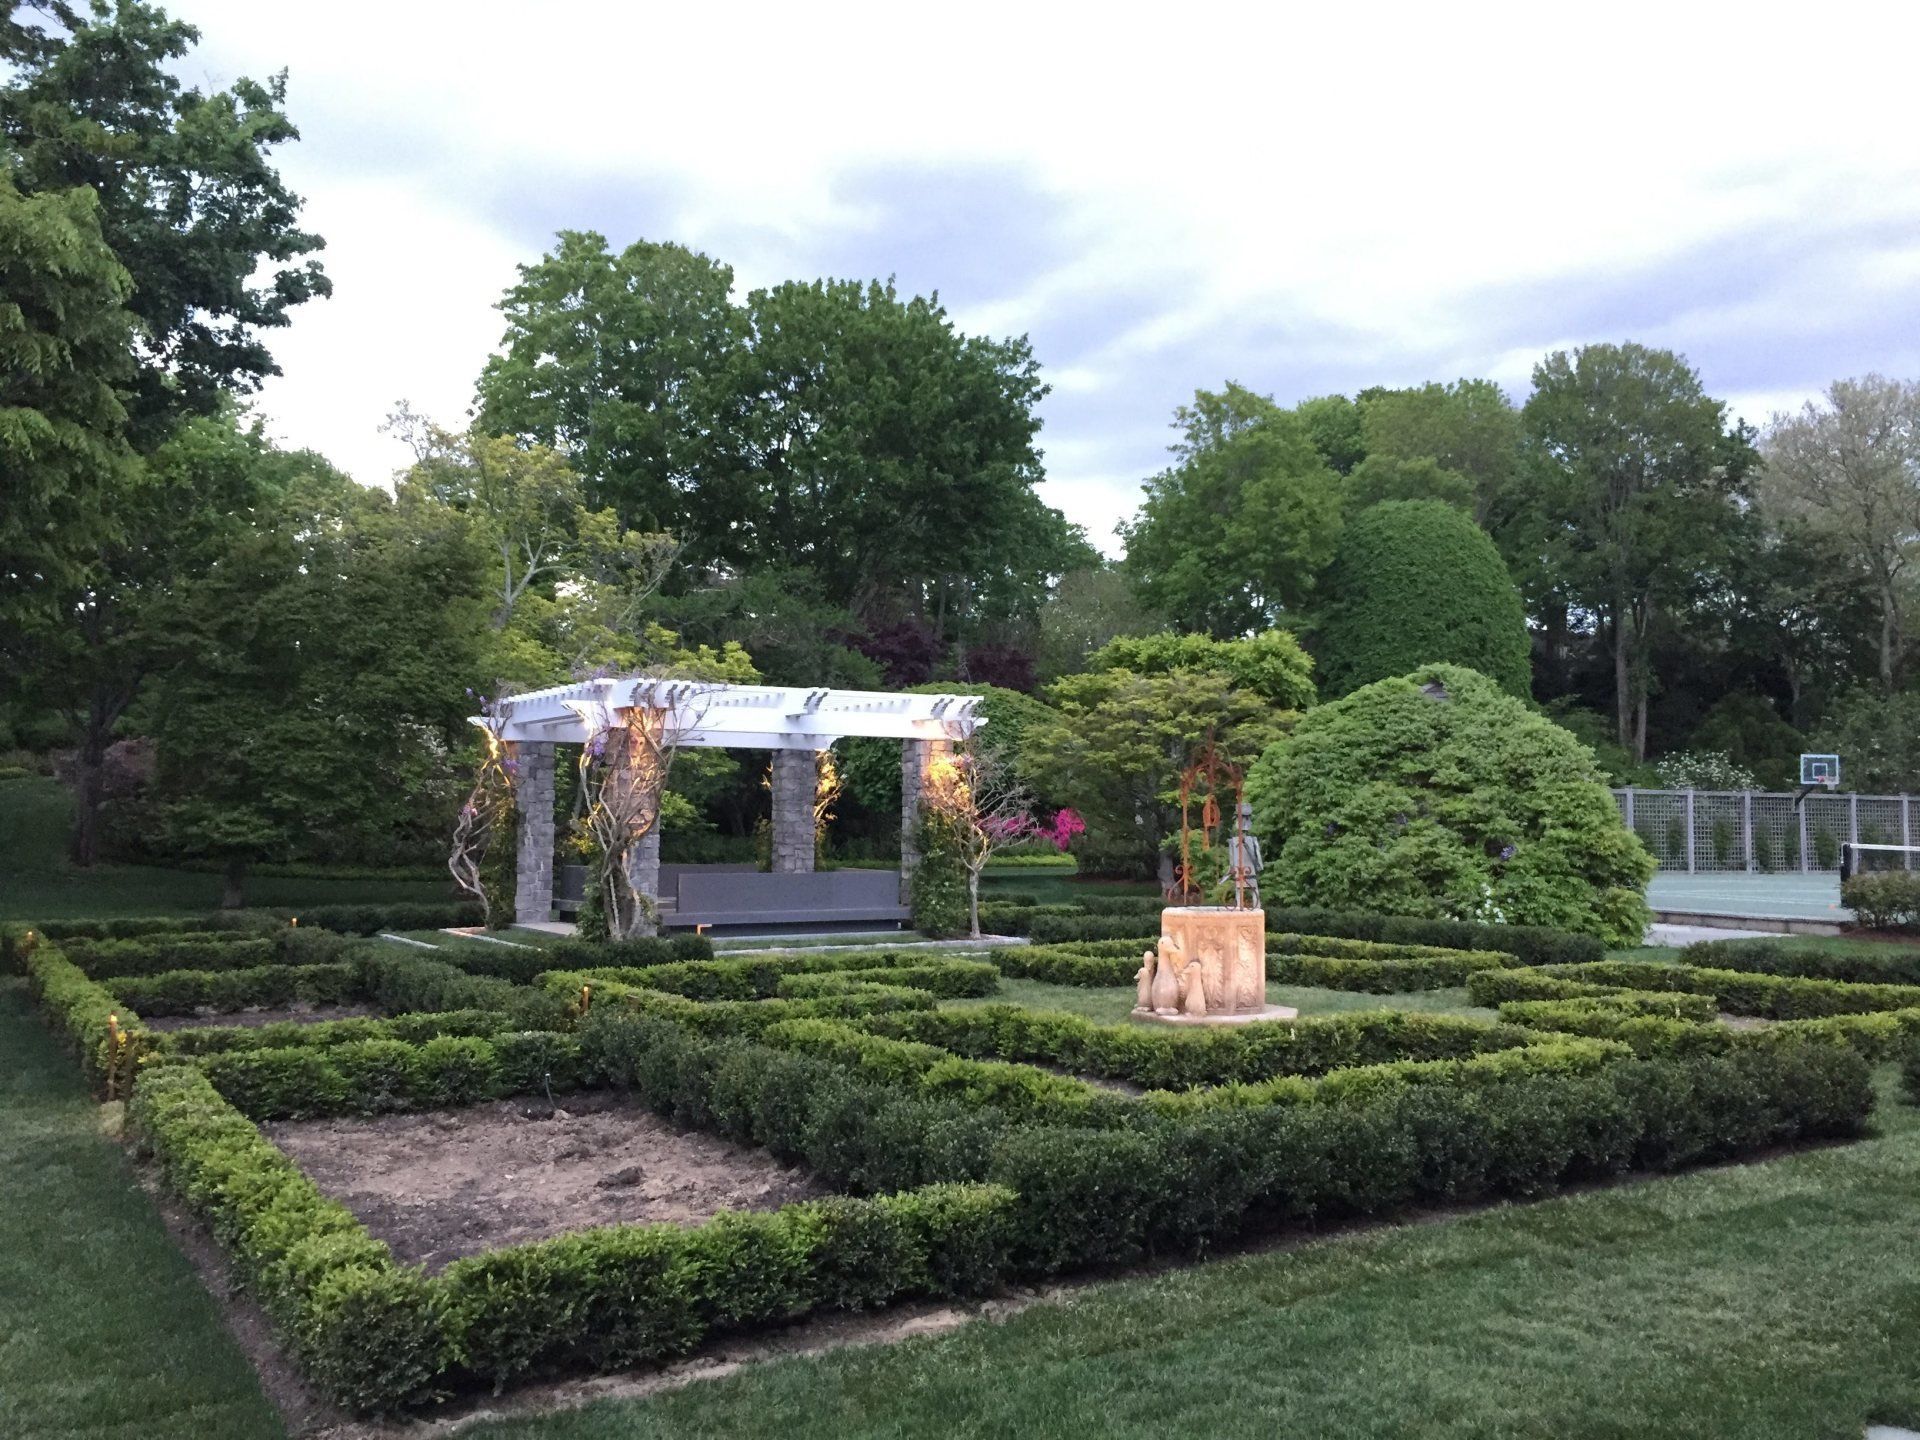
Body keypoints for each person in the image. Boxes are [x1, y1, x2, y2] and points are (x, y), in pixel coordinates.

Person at [1228, 799, 1262, 909]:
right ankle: (1239, 906)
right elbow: (1232, 856)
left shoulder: (1252, 840)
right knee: (1239, 888)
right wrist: (1231, 868)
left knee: (1253, 887)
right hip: (1239, 869)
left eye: (1246, 818)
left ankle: (1256, 907)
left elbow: (1257, 854)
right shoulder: (1233, 841)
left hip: (1250, 869)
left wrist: (1259, 865)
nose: (1243, 822)